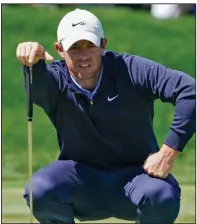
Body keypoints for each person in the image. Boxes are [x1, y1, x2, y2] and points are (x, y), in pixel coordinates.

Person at [16, 8, 195, 224]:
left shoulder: (131, 69)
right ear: (59, 49)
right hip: (79, 180)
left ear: (103, 44)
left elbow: (190, 91)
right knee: (39, 191)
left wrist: (168, 153)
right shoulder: (55, 80)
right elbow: (37, 87)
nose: (83, 55)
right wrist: (31, 62)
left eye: (90, 44)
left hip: (138, 177)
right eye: (74, 47)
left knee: (161, 196)